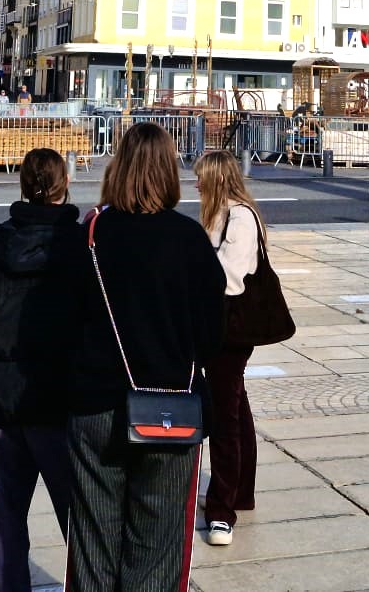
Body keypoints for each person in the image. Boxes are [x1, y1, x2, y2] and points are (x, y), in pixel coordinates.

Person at [65, 122, 224, 592]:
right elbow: (212, 334)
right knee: (158, 545)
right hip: (169, 406)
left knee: (93, 541)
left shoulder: (90, 234)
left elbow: (62, 320)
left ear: (118, 168)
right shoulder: (188, 238)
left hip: (94, 402)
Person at [0, 148, 83, 592]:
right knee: (82, 517)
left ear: (23, 185)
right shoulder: (83, 249)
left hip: (0, 398)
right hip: (63, 399)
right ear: (65, 183)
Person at [194, 148, 262, 549]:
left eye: (201, 177)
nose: (196, 184)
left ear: (217, 179)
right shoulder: (223, 214)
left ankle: (222, 511)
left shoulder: (239, 218)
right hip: (222, 326)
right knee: (236, 407)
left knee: (223, 417)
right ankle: (240, 491)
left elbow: (229, 278)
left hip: (230, 329)